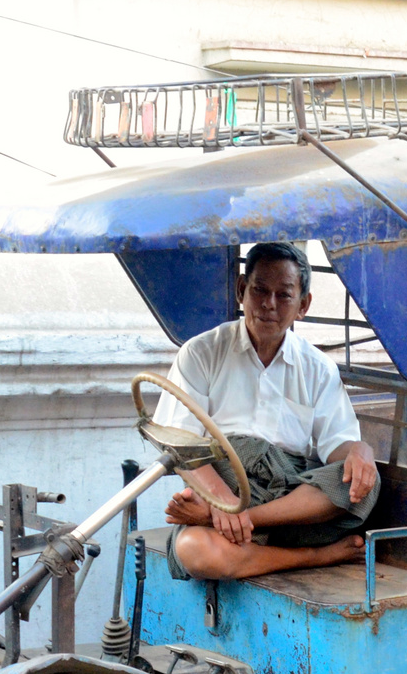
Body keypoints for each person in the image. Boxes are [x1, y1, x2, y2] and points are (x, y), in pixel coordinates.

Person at [153, 241, 379, 581]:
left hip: (292, 508)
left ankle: (251, 519)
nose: (268, 304)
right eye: (259, 290)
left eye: (284, 295)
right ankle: (316, 557)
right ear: (242, 290)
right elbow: (179, 442)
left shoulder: (318, 367)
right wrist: (220, 499)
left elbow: (338, 447)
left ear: (303, 305)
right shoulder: (201, 353)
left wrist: (361, 452)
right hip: (224, 488)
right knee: (194, 550)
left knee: (363, 481)